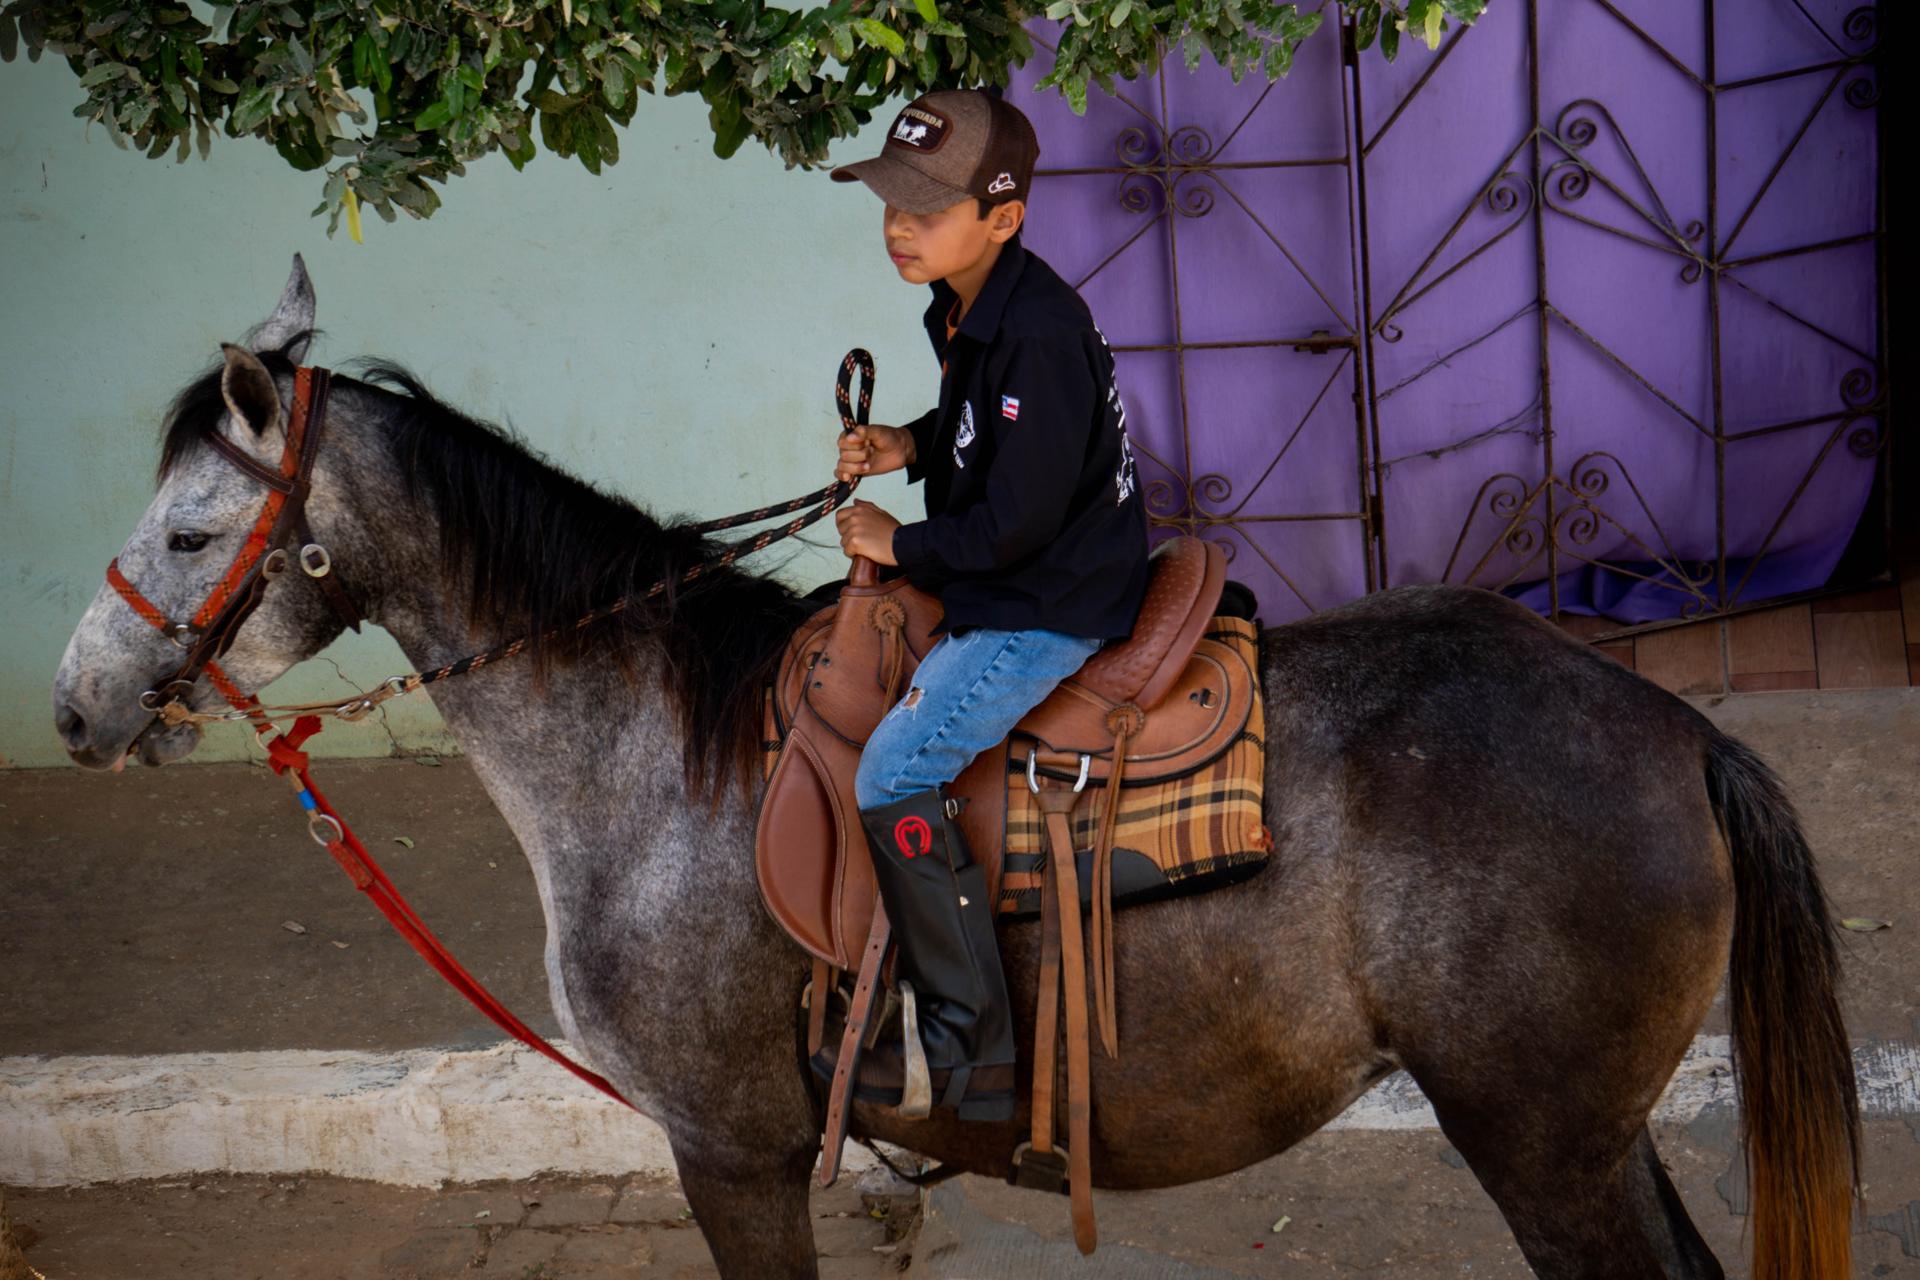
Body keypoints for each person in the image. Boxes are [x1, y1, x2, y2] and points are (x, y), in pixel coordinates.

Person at [820, 89, 1150, 1122]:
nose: (899, 226)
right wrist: (912, 443)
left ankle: (973, 1050)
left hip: (1043, 600)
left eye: (927, 208)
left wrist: (900, 543)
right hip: (1006, 567)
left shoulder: (1039, 331)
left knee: (893, 768)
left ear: (1004, 217)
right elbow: (984, 426)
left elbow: (1018, 521)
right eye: (891, 203)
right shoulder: (965, 303)